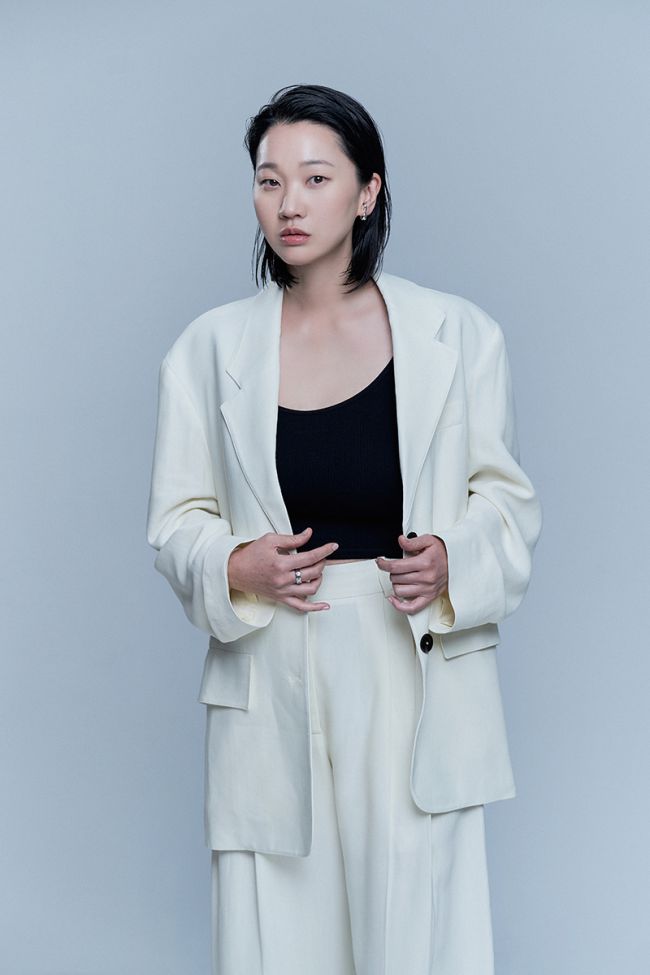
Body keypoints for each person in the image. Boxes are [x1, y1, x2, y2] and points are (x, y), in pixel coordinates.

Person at [146, 83, 543, 975]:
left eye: (316, 178)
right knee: (276, 925)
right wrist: (234, 562)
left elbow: (508, 501)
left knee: (414, 922)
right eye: (269, 180)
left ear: (368, 192)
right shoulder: (207, 350)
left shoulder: (459, 334)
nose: (288, 202)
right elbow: (175, 521)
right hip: (271, 657)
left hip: (409, 656)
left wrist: (452, 561)